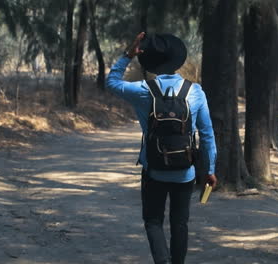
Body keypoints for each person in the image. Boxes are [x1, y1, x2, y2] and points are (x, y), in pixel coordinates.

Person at [106, 32, 217, 264]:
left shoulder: (142, 90)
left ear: (151, 62)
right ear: (177, 59)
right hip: (185, 171)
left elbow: (112, 82)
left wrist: (128, 55)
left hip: (153, 170)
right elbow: (207, 135)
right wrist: (209, 169)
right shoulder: (195, 91)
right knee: (180, 223)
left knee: (153, 221)